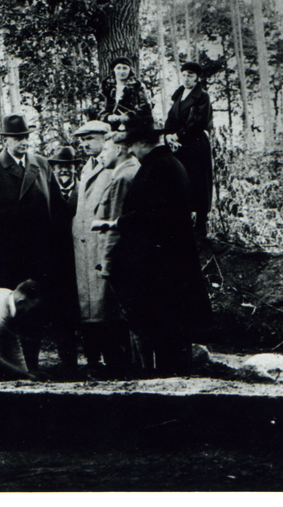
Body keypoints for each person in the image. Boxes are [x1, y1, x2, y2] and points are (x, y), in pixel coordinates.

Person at [106, 116, 212, 377]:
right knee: (173, 337)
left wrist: (116, 222)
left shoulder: (158, 168)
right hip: (171, 267)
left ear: (144, 142)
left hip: (163, 270)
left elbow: (154, 216)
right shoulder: (168, 164)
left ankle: (171, 389)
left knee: (167, 337)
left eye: (132, 144)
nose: (130, 150)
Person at [0, 114, 56, 370]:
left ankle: (32, 365)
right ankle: (9, 367)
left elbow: (55, 210)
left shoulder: (41, 164)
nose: (23, 142)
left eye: (26, 137)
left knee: (33, 310)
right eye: (17, 138)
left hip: (38, 256)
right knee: (7, 311)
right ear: (5, 140)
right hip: (5, 258)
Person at [70, 120, 125, 371]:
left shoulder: (113, 166)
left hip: (102, 244)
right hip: (84, 247)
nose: (84, 144)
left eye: (89, 139)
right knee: (90, 308)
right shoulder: (87, 167)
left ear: (105, 138)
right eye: (82, 140)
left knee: (107, 307)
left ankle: (115, 361)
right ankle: (94, 361)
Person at [89, 133, 140, 372]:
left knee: (131, 316)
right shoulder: (125, 172)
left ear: (119, 149)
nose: (100, 155)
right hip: (129, 257)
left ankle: (137, 368)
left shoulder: (122, 176)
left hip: (121, 258)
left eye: (105, 150)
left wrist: (106, 263)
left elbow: (115, 225)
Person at [164, 61, 214, 237]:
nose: (186, 78)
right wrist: (168, 135)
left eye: (190, 75)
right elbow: (170, 119)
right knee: (180, 181)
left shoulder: (202, 97)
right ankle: (182, 223)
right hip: (178, 146)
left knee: (199, 182)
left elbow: (198, 121)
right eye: (184, 74)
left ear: (197, 78)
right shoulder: (178, 96)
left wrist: (177, 135)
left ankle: (201, 225)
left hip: (196, 144)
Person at [47, 145, 81, 371]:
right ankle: (68, 361)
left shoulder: (84, 189)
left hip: (84, 257)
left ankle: (95, 358)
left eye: (68, 167)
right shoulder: (47, 191)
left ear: (75, 168)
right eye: (59, 167)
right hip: (57, 262)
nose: (64, 171)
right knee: (62, 310)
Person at [99, 56, 151, 129]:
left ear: (130, 70)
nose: (121, 71)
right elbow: (97, 107)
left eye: (125, 68)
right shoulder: (105, 87)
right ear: (114, 70)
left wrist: (129, 116)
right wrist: (108, 116)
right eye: (118, 68)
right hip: (107, 125)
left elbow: (144, 108)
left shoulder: (138, 87)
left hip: (131, 126)